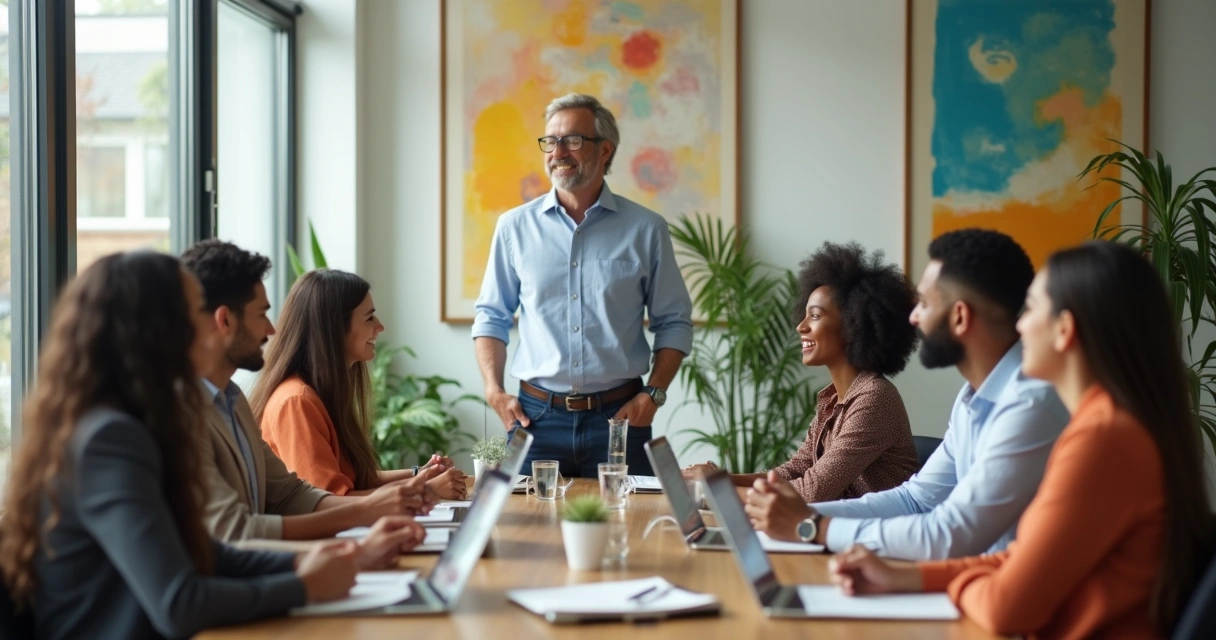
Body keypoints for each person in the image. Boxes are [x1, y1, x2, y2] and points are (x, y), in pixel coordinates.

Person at [0, 252, 428, 640]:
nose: (212, 327)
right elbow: (178, 603)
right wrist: (305, 585)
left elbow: (203, 553)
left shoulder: (139, 422)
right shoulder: (110, 439)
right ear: (155, 331)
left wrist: (339, 560)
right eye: (194, 314)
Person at [827, 241, 1215, 639]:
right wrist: (910, 578)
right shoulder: (1105, 424)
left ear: (1065, 330)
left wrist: (945, 583)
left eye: (1030, 309)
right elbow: (1021, 560)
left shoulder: (1103, 438)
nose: (1019, 325)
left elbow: (1005, 605)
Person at [745, 229, 1069, 559]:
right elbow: (914, 499)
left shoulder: (1031, 405)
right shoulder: (970, 399)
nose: (913, 317)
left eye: (924, 303)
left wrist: (814, 527)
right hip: (973, 583)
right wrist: (806, 519)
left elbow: (952, 532)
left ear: (959, 316)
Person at [472, 93, 694, 478]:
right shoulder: (514, 228)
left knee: (634, 526)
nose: (558, 151)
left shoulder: (646, 229)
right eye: (550, 141)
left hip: (621, 417)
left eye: (573, 140)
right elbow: (491, 315)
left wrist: (653, 395)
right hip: (534, 419)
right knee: (520, 529)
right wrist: (494, 389)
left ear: (604, 150)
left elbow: (674, 321)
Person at [182, 240, 443, 542]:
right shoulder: (189, 417)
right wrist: (368, 518)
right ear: (225, 320)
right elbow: (237, 533)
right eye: (261, 314)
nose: (271, 329)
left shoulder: (232, 401)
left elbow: (290, 494)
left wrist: (393, 495)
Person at [684, 242, 919, 502]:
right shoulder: (832, 400)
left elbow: (812, 491)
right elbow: (794, 471)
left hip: (868, 537)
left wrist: (719, 490)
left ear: (853, 326)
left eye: (815, 316)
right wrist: (720, 479)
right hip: (831, 529)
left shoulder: (876, 398)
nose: (800, 327)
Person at [252, 269, 468, 498]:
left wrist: (420, 474)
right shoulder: (296, 402)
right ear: (334, 329)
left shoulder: (319, 394)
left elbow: (354, 479)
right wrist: (425, 490)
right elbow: (330, 503)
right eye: (369, 318)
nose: (380, 326)